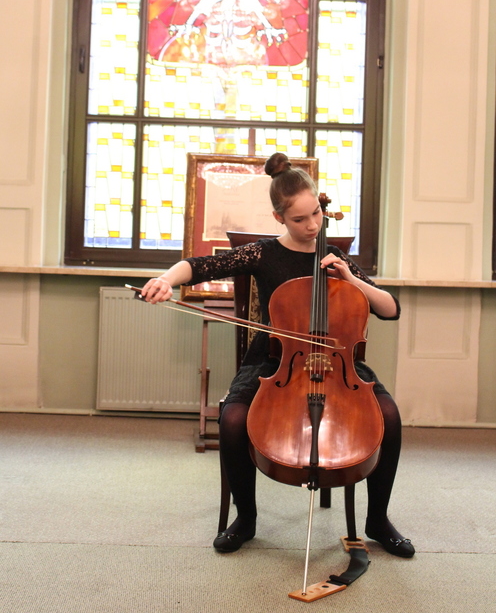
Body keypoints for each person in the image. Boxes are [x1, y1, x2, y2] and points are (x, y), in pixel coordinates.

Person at [141, 152, 415, 558]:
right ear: (279, 218)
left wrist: (351, 279)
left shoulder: (335, 258)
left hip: (339, 363)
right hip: (276, 360)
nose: (312, 226)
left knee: (388, 416)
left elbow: (390, 309)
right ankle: (246, 518)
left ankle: (378, 519)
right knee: (233, 420)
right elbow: (198, 266)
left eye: (316, 215)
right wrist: (164, 279)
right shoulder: (262, 254)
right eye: (299, 219)